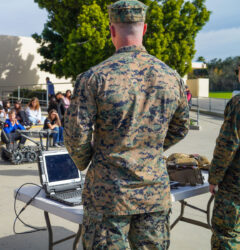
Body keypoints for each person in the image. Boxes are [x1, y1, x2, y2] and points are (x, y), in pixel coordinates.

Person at [64, 1, 189, 249]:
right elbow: (181, 126)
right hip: (153, 191)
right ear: (144, 30)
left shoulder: (94, 78)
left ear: (112, 30)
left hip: (109, 194)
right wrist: (148, 150)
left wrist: (89, 161)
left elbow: (75, 136)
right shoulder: (170, 76)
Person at [209, 63, 240, 249]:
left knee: (226, 236)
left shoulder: (237, 104)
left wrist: (214, 177)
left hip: (234, 186)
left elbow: (227, 145)